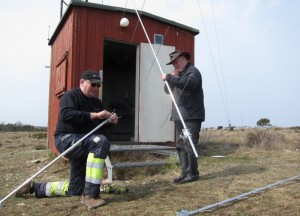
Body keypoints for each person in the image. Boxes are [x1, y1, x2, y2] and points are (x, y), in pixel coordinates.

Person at [15, 69, 119, 209]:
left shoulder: (96, 103)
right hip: (66, 139)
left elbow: (98, 128)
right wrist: (95, 115)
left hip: (83, 142)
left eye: (98, 85)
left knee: (74, 190)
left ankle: (35, 188)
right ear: (82, 82)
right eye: (93, 84)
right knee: (99, 142)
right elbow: (66, 115)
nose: (95, 88)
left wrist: (110, 123)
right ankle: (90, 195)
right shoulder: (70, 96)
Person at [161, 50, 205, 184]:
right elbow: (167, 90)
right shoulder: (178, 75)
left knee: (189, 144)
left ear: (184, 59)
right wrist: (172, 77)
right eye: (174, 63)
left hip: (191, 116)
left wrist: (170, 77)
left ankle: (193, 173)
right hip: (179, 117)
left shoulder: (193, 72)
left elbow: (188, 84)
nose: (176, 65)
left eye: (177, 61)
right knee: (180, 145)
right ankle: (185, 173)